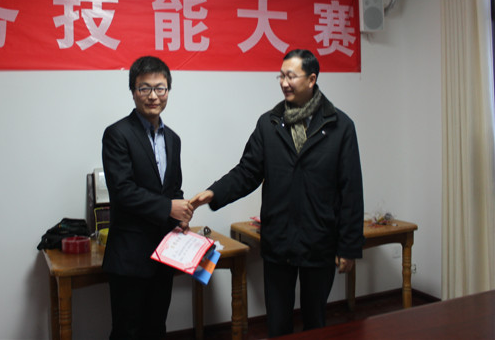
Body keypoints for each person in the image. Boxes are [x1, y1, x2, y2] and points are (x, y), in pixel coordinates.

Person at [191, 49, 364, 337]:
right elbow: (247, 171)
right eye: (281, 76)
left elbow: (351, 190)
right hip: (278, 240)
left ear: (311, 79)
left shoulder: (339, 126)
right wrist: (214, 193)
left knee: (315, 323)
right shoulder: (269, 124)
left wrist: (349, 247)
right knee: (278, 324)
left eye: (290, 76)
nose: (284, 82)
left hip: (319, 240)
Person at [102, 56, 193, 340]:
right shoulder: (117, 134)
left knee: (156, 329)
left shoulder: (173, 139)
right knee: (127, 332)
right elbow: (123, 191)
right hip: (129, 257)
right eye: (145, 88)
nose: (153, 96)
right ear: (133, 91)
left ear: (168, 91)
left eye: (160, 88)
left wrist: (181, 218)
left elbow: (174, 189)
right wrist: (169, 207)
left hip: (164, 255)